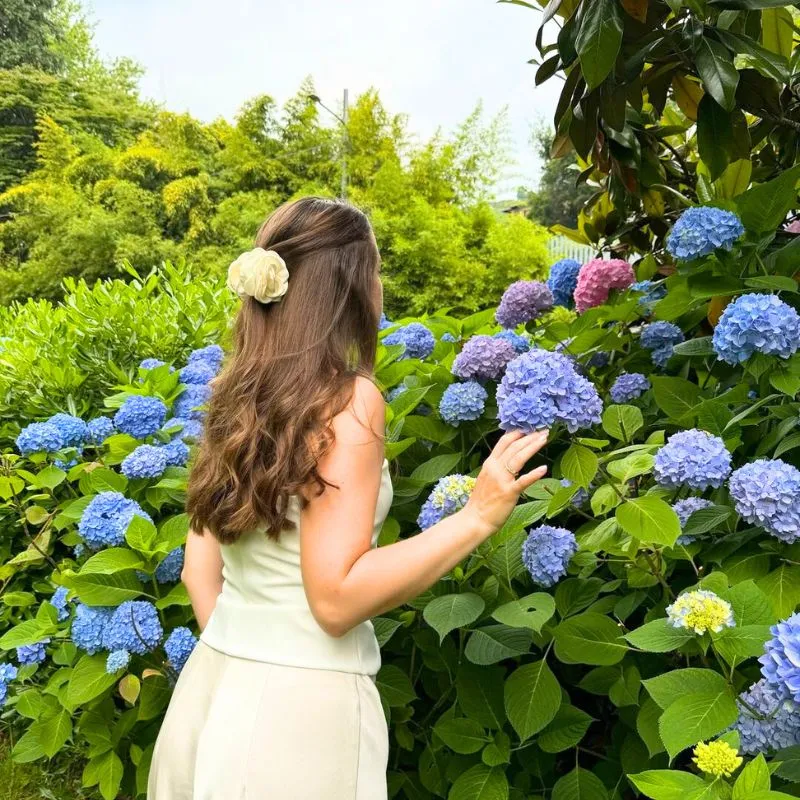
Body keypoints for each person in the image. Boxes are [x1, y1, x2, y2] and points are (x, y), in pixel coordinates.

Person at [146, 196, 549, 800]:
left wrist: (247, 657)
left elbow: (197, 572)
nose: (381, 286)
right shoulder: (347, 403)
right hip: (301, 718)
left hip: (212, 693)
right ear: (350, 286)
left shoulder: (235, 396)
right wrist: (478, 516)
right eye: (377, 270)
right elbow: (335, 601)